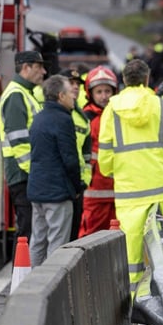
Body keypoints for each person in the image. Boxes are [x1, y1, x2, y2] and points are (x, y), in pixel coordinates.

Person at [97, 58, 163, 303]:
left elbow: (105, 152)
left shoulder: (112, 109)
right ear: (148, 79)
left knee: (131, 251)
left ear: (123, 81)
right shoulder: (160, 105)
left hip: (130, 189)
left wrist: (113, 170)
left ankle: (134, 305)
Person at [27, 75, 84, 266]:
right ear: (61, 96)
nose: (74, 97)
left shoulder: (38, 118)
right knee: (57, 244)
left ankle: (31, 285)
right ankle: (51, 291)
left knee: (38, 241)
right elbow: (70, 160)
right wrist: (77, 187)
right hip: (57, 192)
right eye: (70, 93)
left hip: (37, 190)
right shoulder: (63, 120)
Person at [0, 50, 46, 242]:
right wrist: (33, 170)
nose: (43, 72)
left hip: (25, 172)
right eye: (39, 67)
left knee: (30, 229)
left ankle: (24, 271)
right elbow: (18, 140)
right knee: (27, 230)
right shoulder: (16, 95)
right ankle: (20, 273)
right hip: (22, 173)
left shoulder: (25, 93)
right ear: (26, 68)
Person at [79, 65, 119, 237]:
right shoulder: (86, 118)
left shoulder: (121, 113)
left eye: (107, 91)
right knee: (91, 236)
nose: (104, 96)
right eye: (99, 92)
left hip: (120, 189)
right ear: (91, 94)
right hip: (94, 190)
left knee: (119, 237)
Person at [59, 67, 93, 242]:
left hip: (77, 185)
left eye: (77, 84)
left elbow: (86, 155)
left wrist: (84, 181)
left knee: (72, 234)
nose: (75, 87)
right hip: (59, 185)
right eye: (70, 83)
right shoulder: (54, 114)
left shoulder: (81, 117)